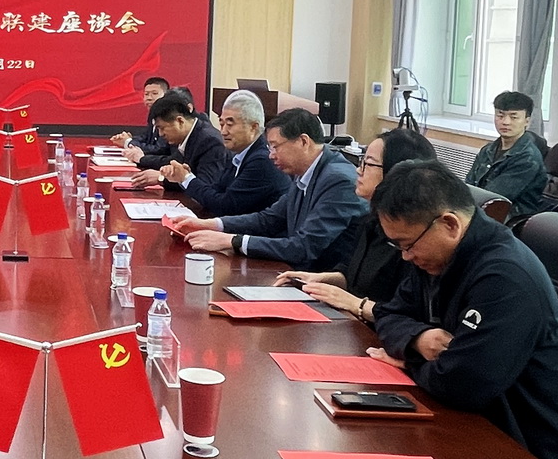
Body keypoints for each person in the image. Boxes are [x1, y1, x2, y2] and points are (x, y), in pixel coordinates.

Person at [368, 161, 558, 459]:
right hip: (473, 434)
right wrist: (418, 340)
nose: (405, 256)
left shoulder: (506, 276)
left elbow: (462, 386)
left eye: (408, 245)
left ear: (450, 224)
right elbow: (388, 312)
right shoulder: (434, 256)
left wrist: (408, 361)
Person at [275, 126, 436, 324]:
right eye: (361, 161)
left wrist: (356, 304)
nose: (358, 170)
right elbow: (354, 276)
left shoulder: (412, 237)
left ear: (397, 172)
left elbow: (404, 311)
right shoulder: (370, 220)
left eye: (368, 164)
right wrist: (318, 279)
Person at [173, 108, 368, 269]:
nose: (271, 155)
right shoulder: (306, 170)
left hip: (325, 282)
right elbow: (268, 219)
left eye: (275, 146)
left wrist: (232, 241)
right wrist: (211, 224)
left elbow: (304, 246)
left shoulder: (338, 180)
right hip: (297, 272)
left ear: (303, 141)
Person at [161, 90, 290, 216]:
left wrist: (186, 179)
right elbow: (215, 191)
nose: (223, 132)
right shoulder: (238, 154)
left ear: (253, 127)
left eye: (230, 124)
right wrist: (186, 177)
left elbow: (225, 206)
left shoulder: (262, 160)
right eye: (222, 124)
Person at [466, 90, 551, 221]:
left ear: (527, 121)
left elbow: (495, 196)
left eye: (514, 117)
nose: (505, 122)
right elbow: (470, 184)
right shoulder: (488, 149)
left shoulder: (528, 158)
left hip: (511, 217)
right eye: (500, 116)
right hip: (481, 209)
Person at [127, 92, 227, 190]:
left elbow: (205, 185)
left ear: (180, 121)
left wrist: (161, 178)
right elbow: (173, 162)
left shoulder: (209, 141)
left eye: (162, 128)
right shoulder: (186, 136)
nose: (161, 134)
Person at [111, 76, 173, 162]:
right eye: (146, 94)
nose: (149, 98)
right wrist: (127, 139)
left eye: (154, 93)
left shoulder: (169, 119)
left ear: (166, 96)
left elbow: (159, 149)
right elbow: (145, 138)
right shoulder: (152, 116)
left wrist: (128, 142)